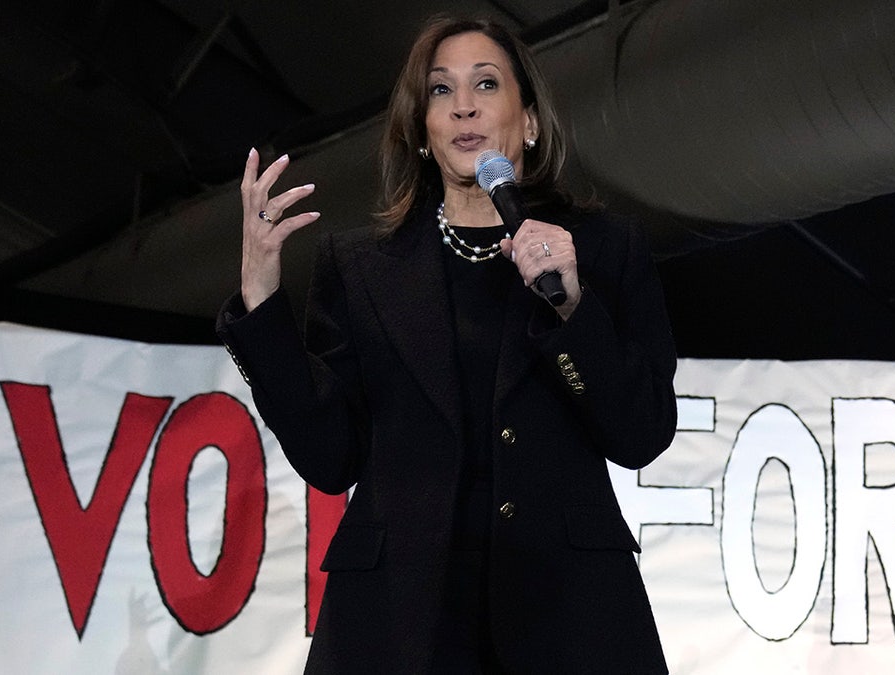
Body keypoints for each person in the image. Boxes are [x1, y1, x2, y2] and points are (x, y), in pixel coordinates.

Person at [217, 15, 677, 674]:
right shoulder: (361, 265)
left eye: (486, 84)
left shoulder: (603, 250)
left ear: (530, 123)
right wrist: (260, 299)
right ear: (423, 133)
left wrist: (573, 305)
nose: (464, 104)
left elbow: (641, 432)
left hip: (569, 618)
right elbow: (330, 455)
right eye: (440, 90)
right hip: (399, 621)